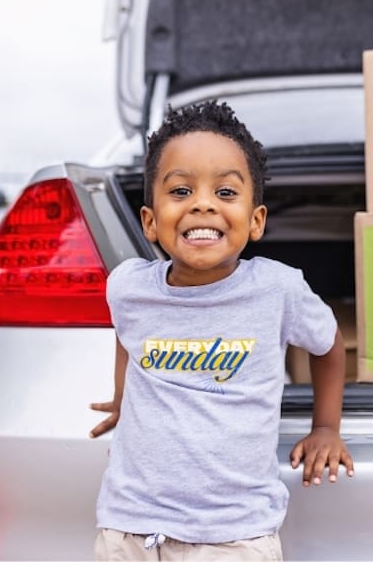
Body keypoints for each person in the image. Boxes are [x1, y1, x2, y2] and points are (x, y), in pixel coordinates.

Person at [88, 100, 354, 561]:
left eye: (226, 193)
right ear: (150, 222)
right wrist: (123, 395)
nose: (203, 203)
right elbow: (126, 330)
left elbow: (329, 345)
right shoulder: (129, 285)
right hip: (129, 525)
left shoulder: (277, 289)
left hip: (234, 533)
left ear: (256, 221)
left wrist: (326, 426)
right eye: (181, 191)